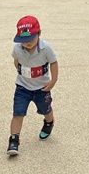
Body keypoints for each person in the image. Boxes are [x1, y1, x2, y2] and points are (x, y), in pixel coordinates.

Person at [7, 15, 58, 157]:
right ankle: (14, 139)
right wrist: (22, 73)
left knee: (45, 109)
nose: (27, 43)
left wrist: (53, 80)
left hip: (42, 88)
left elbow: (53, 62)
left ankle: (49, 122)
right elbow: (16, 61)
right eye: (23, 41)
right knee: (18, 113)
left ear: (39, 33)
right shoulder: (17, 48)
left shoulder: (46, 48)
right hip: (22, 88)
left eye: (30, 39)